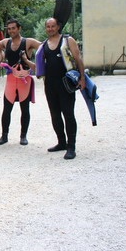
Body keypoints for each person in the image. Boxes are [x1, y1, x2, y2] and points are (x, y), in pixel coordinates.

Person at [39, 17, 86, 160]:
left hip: (65, 84)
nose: (50, 29)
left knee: (68, 114)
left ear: (58, 27)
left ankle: (71, 147)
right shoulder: (44, 44)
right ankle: (61, 142)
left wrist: (82, 78)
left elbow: (78, 58)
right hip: (50, 85)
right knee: (55, 115)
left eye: (53, 26)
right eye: (48, 26)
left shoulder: (67, 40)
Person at [0, 19, 41, 146]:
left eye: (13, 28)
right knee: (7, 109)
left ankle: (23, 136)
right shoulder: (6, 42)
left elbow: (45, 47)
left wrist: (34, 63)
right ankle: (4, 136)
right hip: (11, 79)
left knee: (25, 109)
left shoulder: (28, 42)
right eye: (9, 28)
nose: (11, 30)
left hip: (24, 80)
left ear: (19, 28)